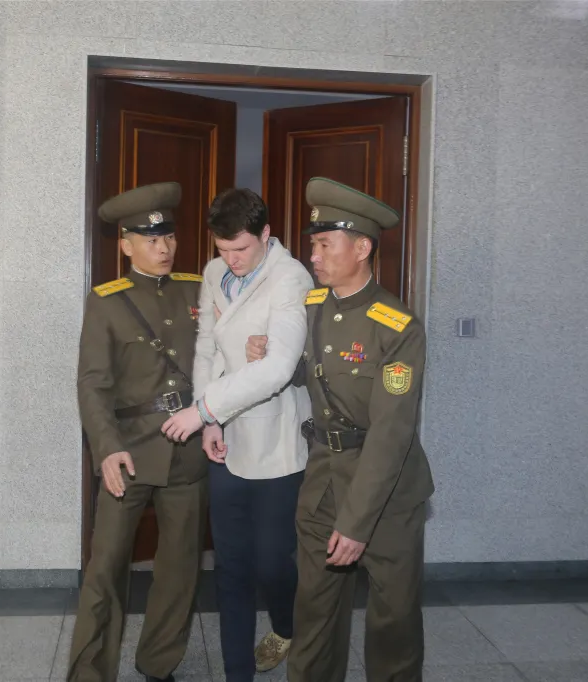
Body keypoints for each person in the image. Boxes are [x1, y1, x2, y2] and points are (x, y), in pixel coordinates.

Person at [245, 178, 434, 682]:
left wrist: (355, 524)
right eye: (314, 245)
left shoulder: (397, 327)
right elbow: (311, 372)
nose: (314, 256)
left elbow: (391, 434)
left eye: (325, 244)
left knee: (392, 621)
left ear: (362, 248)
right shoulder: (312, 307)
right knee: (314, 610)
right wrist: (271, 355)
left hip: (386, 496)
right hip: (323, 479)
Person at [160, 188, 314, 681]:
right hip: (225, 438)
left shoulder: (290, 277)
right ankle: (237, 673)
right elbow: (206, 347)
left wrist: (203, 409)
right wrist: (211, 421)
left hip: (275, 441)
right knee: (231, 565)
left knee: (272, 562)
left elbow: (278, 368)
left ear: (266, 234)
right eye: (223, 249)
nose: (232, 260)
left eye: (242, 249)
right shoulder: (213, 272)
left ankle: (286, 625)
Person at [68, 182, 207, 682]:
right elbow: (93, 384)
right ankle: (90, 671)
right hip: (128, 453)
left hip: (188, 449)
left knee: (179, 567)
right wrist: (106, 449)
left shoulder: (198, 288)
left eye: (168, 236)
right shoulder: (107, 301)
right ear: (126, 245)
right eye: (151, 240)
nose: (164, 248)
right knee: (105, 567)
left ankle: (159, 662)